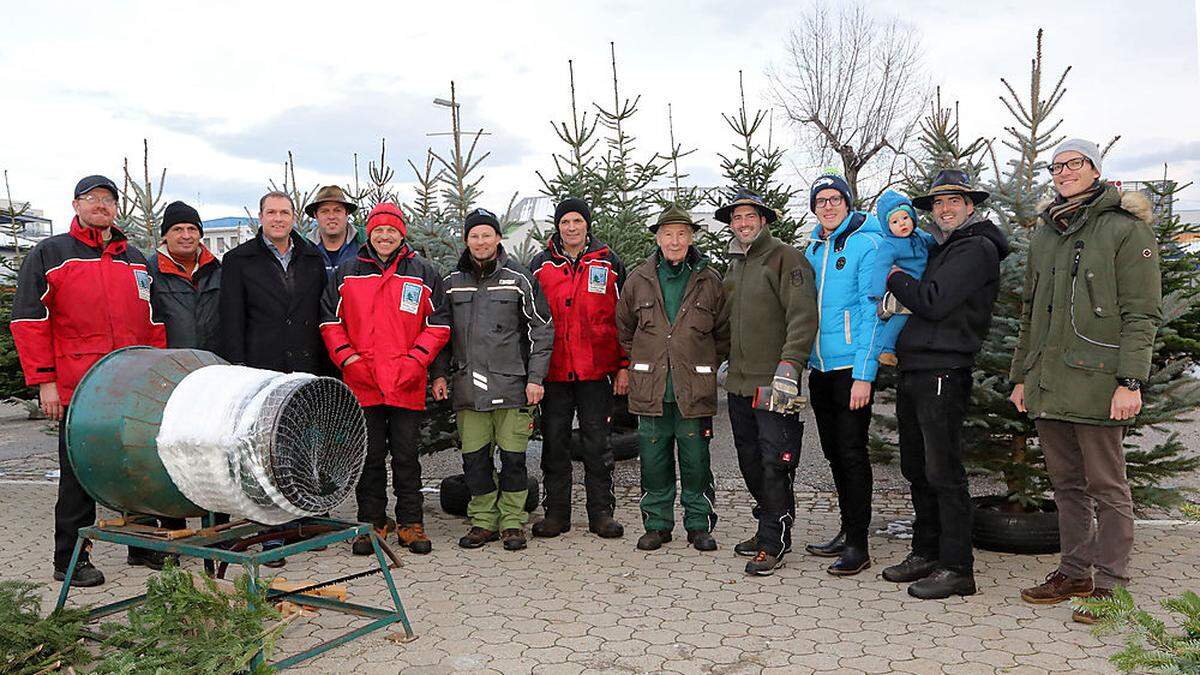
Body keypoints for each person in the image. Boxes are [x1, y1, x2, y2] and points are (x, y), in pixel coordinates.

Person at [1010, 139, 1162, 623]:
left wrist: (1130, 381)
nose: (1063, 172)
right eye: (1056, 166)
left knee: (1108, 486)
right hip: (1049, 382)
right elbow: (1031, 313)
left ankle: (1112, 583)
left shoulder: (1123, 228)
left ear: (1095, 169)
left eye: (1073, 163)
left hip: (1100, 381)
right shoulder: (1046, 233)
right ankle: (1075, 571)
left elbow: (1142, 314)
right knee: (1066, 485)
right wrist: (1021, 377)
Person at [11, 175, 166, 586]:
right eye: (92, 199)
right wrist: (45, 382)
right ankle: (71, 558)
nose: (102, 205)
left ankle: (144, 543)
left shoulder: (134, 259)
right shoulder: (51, 253)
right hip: (79, 386)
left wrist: (157, 375)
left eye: (109, 200)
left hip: (131, 384)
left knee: (136, 462)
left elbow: (153, 322)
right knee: (80, 472)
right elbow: (29, 320)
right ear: (76, 205)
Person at [881, 170, 1009, 599]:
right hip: (915, 367)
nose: (945, 209)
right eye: (938, 203)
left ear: (971, 205)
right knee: (916, 467)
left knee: (943, 471)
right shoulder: (944, 247)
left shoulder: (976, 249)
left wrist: (895, 277)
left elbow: (932, 301)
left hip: (944, 370)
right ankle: (926, 551)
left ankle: (957, 567)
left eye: (954, 201)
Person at [320, 203, 449, 555]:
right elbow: (331, 323)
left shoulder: (423, 272)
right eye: (378, 230)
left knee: (407, 456)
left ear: (401, 233)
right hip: (363, 382)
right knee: (370, 457)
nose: (385, 236)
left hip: (406, 382)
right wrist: (350, 360)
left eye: (391, 230)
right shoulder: (347, 272)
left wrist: (416, 362)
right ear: (370, 233)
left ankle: (410, 522)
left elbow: (437, 325)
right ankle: (371, 523)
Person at [431, 208, 554, 552]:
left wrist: (535, 378)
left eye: (487, 234)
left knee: (514, 459)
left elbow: (541, 331)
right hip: (468, 387)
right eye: (474, 235)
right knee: (475, 460)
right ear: (466, 240)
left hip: (513, 387)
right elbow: (440, 332)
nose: (481, 241)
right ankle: (483, 520)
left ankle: (512, 521)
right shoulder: (452, 282)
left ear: (498, 238)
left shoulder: (520, 278)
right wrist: (439, 374)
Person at [218, 190, 329, 566]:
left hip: (304, 368)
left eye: (285, 212)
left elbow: (321, 314)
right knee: (261, 452)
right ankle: (267, 532)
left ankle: (301, 523)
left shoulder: (313, 259)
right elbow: (231, 321)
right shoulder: (238, 261)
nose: (278, 219)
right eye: (271, 212)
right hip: (259, 370)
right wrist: (237, 373)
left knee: (301, 446)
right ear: (260, 217)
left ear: (295, 217)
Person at [616, 205, 730, 553]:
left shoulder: (709, 280)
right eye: (668, 234)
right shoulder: (639, 279)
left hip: (692, 390)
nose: (675, 241)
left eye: (682, 234)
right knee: (654, 460)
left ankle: (698, 525)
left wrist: (698, 362)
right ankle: (657, 524)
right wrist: (648, 360)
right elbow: (624, 330)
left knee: (696, 461)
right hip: (651, 389)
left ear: (691, 237)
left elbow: (723, 335)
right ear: (658, 238)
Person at [715, 191, 817, 576]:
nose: (743, 223)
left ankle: (774, 541)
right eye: (737, 218)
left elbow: (803, 316)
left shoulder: (786, 258)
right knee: (749, 461)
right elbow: (725, 323)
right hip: (739, 383)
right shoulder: (735, 265)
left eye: (750, 216)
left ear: (764, 220)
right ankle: (768, 526)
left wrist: (790, 365)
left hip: (774, 385)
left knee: (775, 462)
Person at [529, 197, 627, 540]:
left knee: (597, 445)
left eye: (577, 221)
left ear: (587, 224)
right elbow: (530, 320)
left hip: (595, 371)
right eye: (565, 222)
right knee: (554, 444)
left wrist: (623, 367)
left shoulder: (609, 263)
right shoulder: (540, 266)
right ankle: (556, 514)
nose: (571, 228)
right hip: (554, 371)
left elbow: (624, 319)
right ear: (558, 227)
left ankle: (601, 513)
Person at [802, 172, 883, 576]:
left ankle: (859, 543)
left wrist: (865, 374)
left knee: (852, 454)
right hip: (820, 369)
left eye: (836, 199)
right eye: (821, 201)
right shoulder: (814, 248)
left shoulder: (867, 244)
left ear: (848, 203)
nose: (829, 206)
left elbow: (872, 312)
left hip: (853, 370)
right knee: (834, 453)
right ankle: (846, 529)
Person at [147, 200, 222, 539]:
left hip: (212, 373)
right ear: (166, 235)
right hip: (169, 375)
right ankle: (173, 525)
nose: (186, 235)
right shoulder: (150, 272)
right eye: (178, 229)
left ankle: (219, 523)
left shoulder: (217, 270)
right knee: (171, 447)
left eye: (192, 229)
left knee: (213, 445)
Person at [869, 190, 934, 366]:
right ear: (887, 226)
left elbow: (933, 242)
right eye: (895, 221)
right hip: (903, 287)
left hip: (920, 285)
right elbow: (880, 267)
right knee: (901, 316)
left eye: (905, 218)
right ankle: (884, 349)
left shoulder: (919, 235)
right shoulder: (889, 245)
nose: (902, 224)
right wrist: (877, 292)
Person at [305, 185, 362, 277]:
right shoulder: (303, 246)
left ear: (346, 213)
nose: (331, 216)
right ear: (315, 215)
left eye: (337, 210)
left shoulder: (364, 242)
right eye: (325, 211)